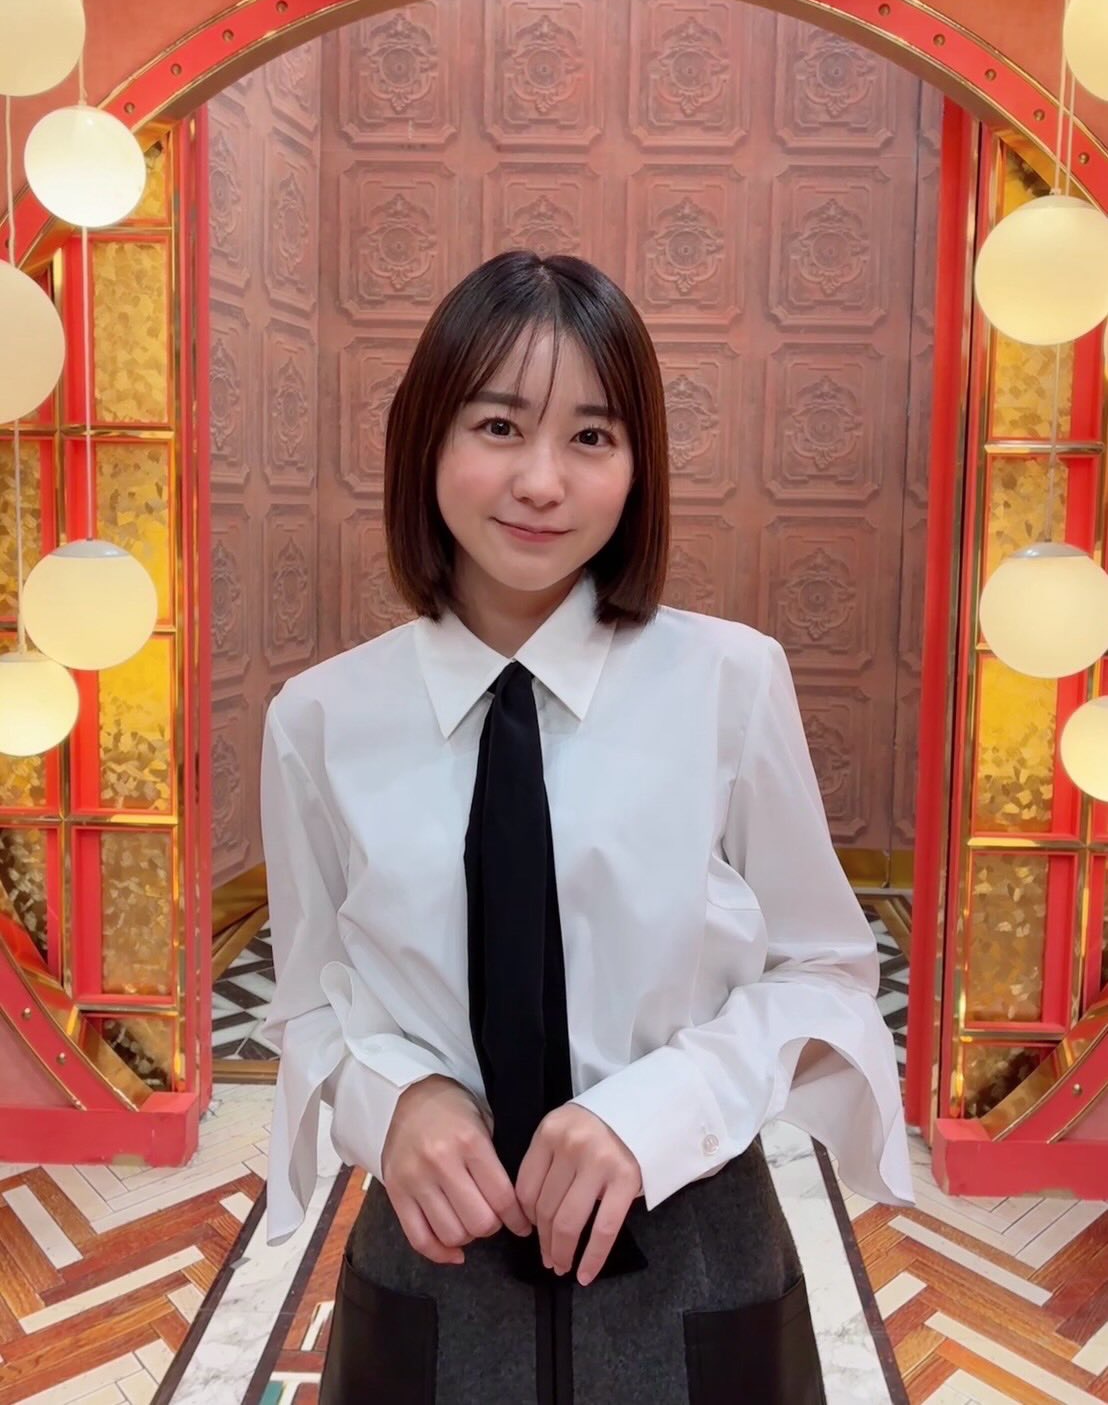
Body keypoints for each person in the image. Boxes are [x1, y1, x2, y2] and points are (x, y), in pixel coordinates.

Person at [258, 250, 915, 1404]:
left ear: (637, 465)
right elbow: (309, 1000)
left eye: (592, 436)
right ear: (425, 441)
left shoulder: (729, 680)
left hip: (692, 1258)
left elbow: (825, 972)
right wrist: (393, 1099)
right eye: (499, 426)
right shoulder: (319, 719)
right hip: (432, 1263)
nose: (541, 481)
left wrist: (659, 1110)